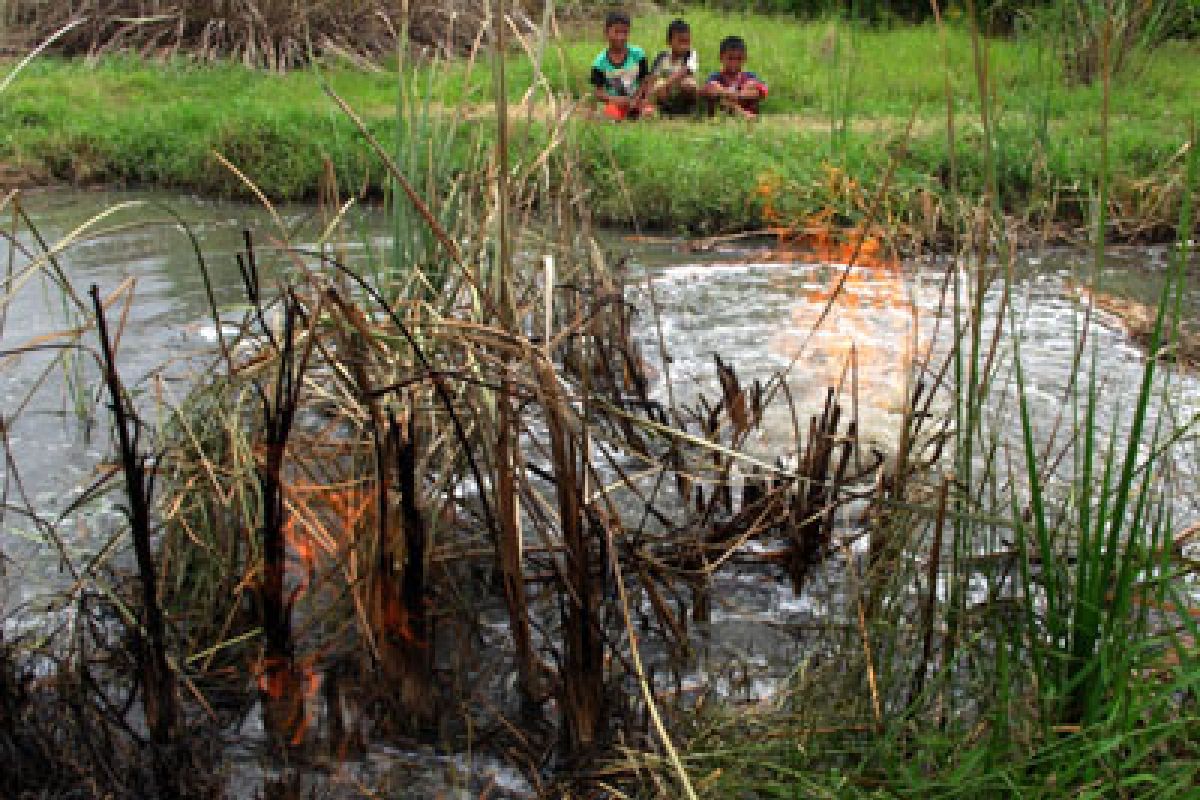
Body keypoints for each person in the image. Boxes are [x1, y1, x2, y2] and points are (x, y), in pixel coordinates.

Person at [590, 10, 654, 121]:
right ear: (606, 33)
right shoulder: (599, 63)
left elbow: (645, 81)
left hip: (637, 101)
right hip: (615, 103)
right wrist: (616, 100)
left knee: (648, 113)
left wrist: (639, 99)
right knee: (611, 114)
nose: (621, 37)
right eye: (617, 32)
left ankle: (635, 114)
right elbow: (598, 93)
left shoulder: (638, 54)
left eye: (624, 32)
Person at [702, 36, 768, 120]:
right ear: (721, 57)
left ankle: (741, 113)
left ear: (745, 58)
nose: (734, 63)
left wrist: (738, 95)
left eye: (739, 59)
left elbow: (763, 91)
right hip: (723, 108)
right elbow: (708, 89)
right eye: (730, 58)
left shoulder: (749, 76)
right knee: (715, 90)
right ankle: (743, 114)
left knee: (752, 85)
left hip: (742, 101)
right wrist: (727, 93)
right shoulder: (716, 76)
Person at [648, 19, 699, 117]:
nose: (684, 46)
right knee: (658, 84)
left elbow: (685, 71)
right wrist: (650, 95)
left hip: (680, 91)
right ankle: (664, 110)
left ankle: (688, 110)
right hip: (667, 93)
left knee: (689, 84)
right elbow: (653, 78)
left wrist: (666, 84)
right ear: (669, 42)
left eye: (687, 42)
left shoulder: (691, 54)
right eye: (680, 41)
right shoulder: (661, 56)